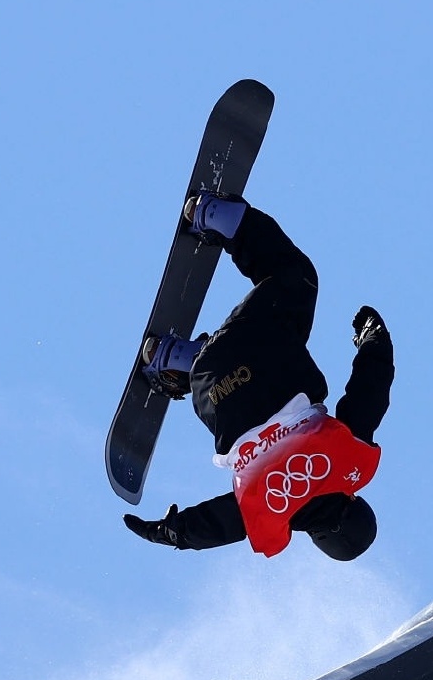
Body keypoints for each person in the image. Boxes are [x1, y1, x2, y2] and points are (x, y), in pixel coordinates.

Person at [124, 192, 393, 561]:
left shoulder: (352, 463)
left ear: (351, 499)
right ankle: (171, 360)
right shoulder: (267, 518)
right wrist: (170, 532)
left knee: (296, 278)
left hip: (262, 353)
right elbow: (217, 525)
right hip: (212, 390)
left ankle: (216, 215)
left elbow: (370, 393)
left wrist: (374, 340)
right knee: (231, 392)